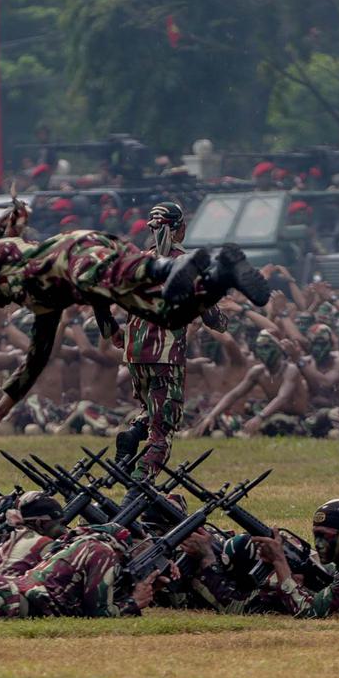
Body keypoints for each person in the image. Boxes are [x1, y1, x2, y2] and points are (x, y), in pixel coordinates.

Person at [0, 204, 270, 441]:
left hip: (81, 253)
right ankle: (219, 273)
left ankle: (168, 267)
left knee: (105, 276)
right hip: (102, 273)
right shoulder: (43, 302)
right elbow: (37, 357)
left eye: (2, 295)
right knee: (165, 312)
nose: (9, 301)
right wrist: (3, 407)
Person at [116, 201, 226, 479]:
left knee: (149, 409)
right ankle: (138, 490)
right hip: (164, 353)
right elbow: (210, 313)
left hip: (135, 353)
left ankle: (131, 436)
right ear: (181, 229)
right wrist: (222, 321)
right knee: (162, 431)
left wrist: (114, 333)